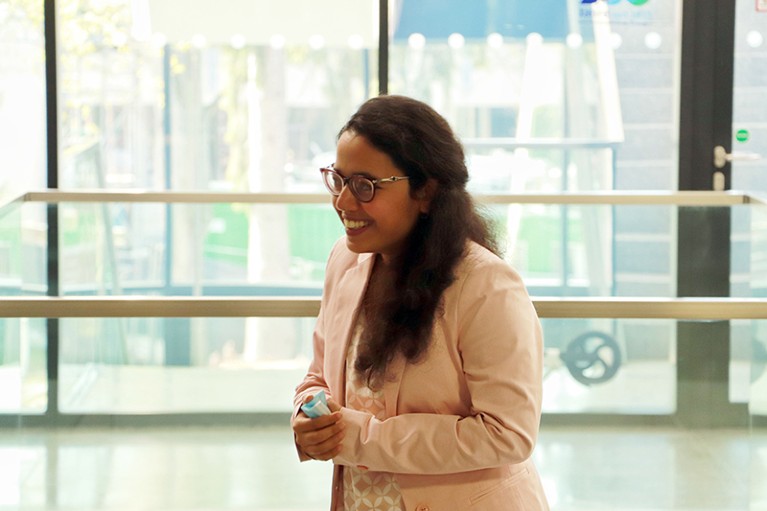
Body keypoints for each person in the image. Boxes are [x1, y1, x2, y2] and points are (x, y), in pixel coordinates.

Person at [292, 94, 549, 511]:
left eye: (365, 186)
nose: (342, 202)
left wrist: (359, 438)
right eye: (338, 180)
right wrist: (307, 414)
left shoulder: (486, 287)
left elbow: (507, 433)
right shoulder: (345, 260)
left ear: (426, 192)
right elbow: (318, 375)